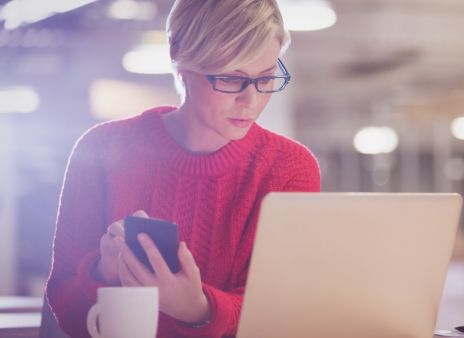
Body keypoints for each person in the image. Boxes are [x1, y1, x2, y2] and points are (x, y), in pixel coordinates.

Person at [45, 0, 321, 337]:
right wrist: (104, 273)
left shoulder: (289, 167)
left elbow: (284, 313)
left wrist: (197, 309)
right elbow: (65, 308)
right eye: (231, 79)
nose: (252, 100)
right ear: (180, 56)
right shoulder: (102, 150)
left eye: (266, 79)